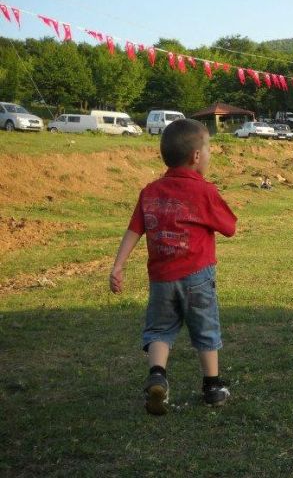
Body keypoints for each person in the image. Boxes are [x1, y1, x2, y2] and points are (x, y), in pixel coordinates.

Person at [109, 119, 237, 414]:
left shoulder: (150, 191)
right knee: (205, 329)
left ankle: (158, 376)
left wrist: (118, 266)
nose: (209, 154)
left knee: (159, 330)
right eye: (208, 149)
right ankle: (213, 387)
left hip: (161, 278)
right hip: (198, 277)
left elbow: (133, 230)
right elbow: (229, 227)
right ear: (196, 157)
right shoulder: (204, 191)